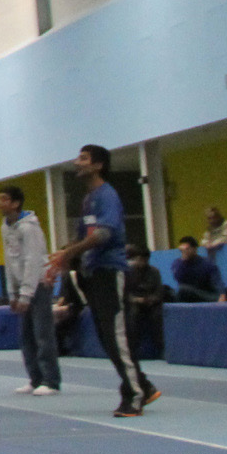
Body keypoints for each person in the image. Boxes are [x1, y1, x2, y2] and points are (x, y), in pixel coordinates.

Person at [47, 144, 157, 417]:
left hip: (110, 272)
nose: (77, 162)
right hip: (93, 274)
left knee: (116, 335)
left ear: (98, 165)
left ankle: (134, 395)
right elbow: (84, 236)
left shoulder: (107, 196)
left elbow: (104, 235)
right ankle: (142, 384)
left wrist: (71, 251)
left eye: (83, 158)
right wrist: (62, 258)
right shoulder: (87, 200)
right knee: (108, 338)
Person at [0, 185, 56, 395]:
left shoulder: (29, 228)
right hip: (22, 285)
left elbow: (33, 261)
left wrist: (26, 293)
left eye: (4, 199)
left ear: (15, 203)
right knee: (26, 336)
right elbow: (10, 261)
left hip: (37, 285)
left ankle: (51, 381)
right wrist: (12, 293)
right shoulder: (5, 227)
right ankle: (35, 378)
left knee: (42, 334)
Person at [124, 247, 167, 359]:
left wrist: (151, 300)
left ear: (147, 259)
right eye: (138, 259)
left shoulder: (155, 272)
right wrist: (136, 299)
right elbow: (124, 293)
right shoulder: (128, 272)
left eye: (142, 259)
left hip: (151, 304)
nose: (140, 262)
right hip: (134, 303)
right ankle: (132, 350)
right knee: (133, 315)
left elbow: (159, 292)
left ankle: (161, 349)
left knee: (157, 316)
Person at [169, 236, 225, 302]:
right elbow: (179, 278)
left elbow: (217, 281)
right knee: (177, 291)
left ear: (194, 249)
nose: (184, 252)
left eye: (187, 249)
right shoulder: (178, 263)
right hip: (187, 294)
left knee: (183, 289)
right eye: (182, 250)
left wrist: (222, 295)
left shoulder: (207, 263)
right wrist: (184, 262)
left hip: (206, 294)